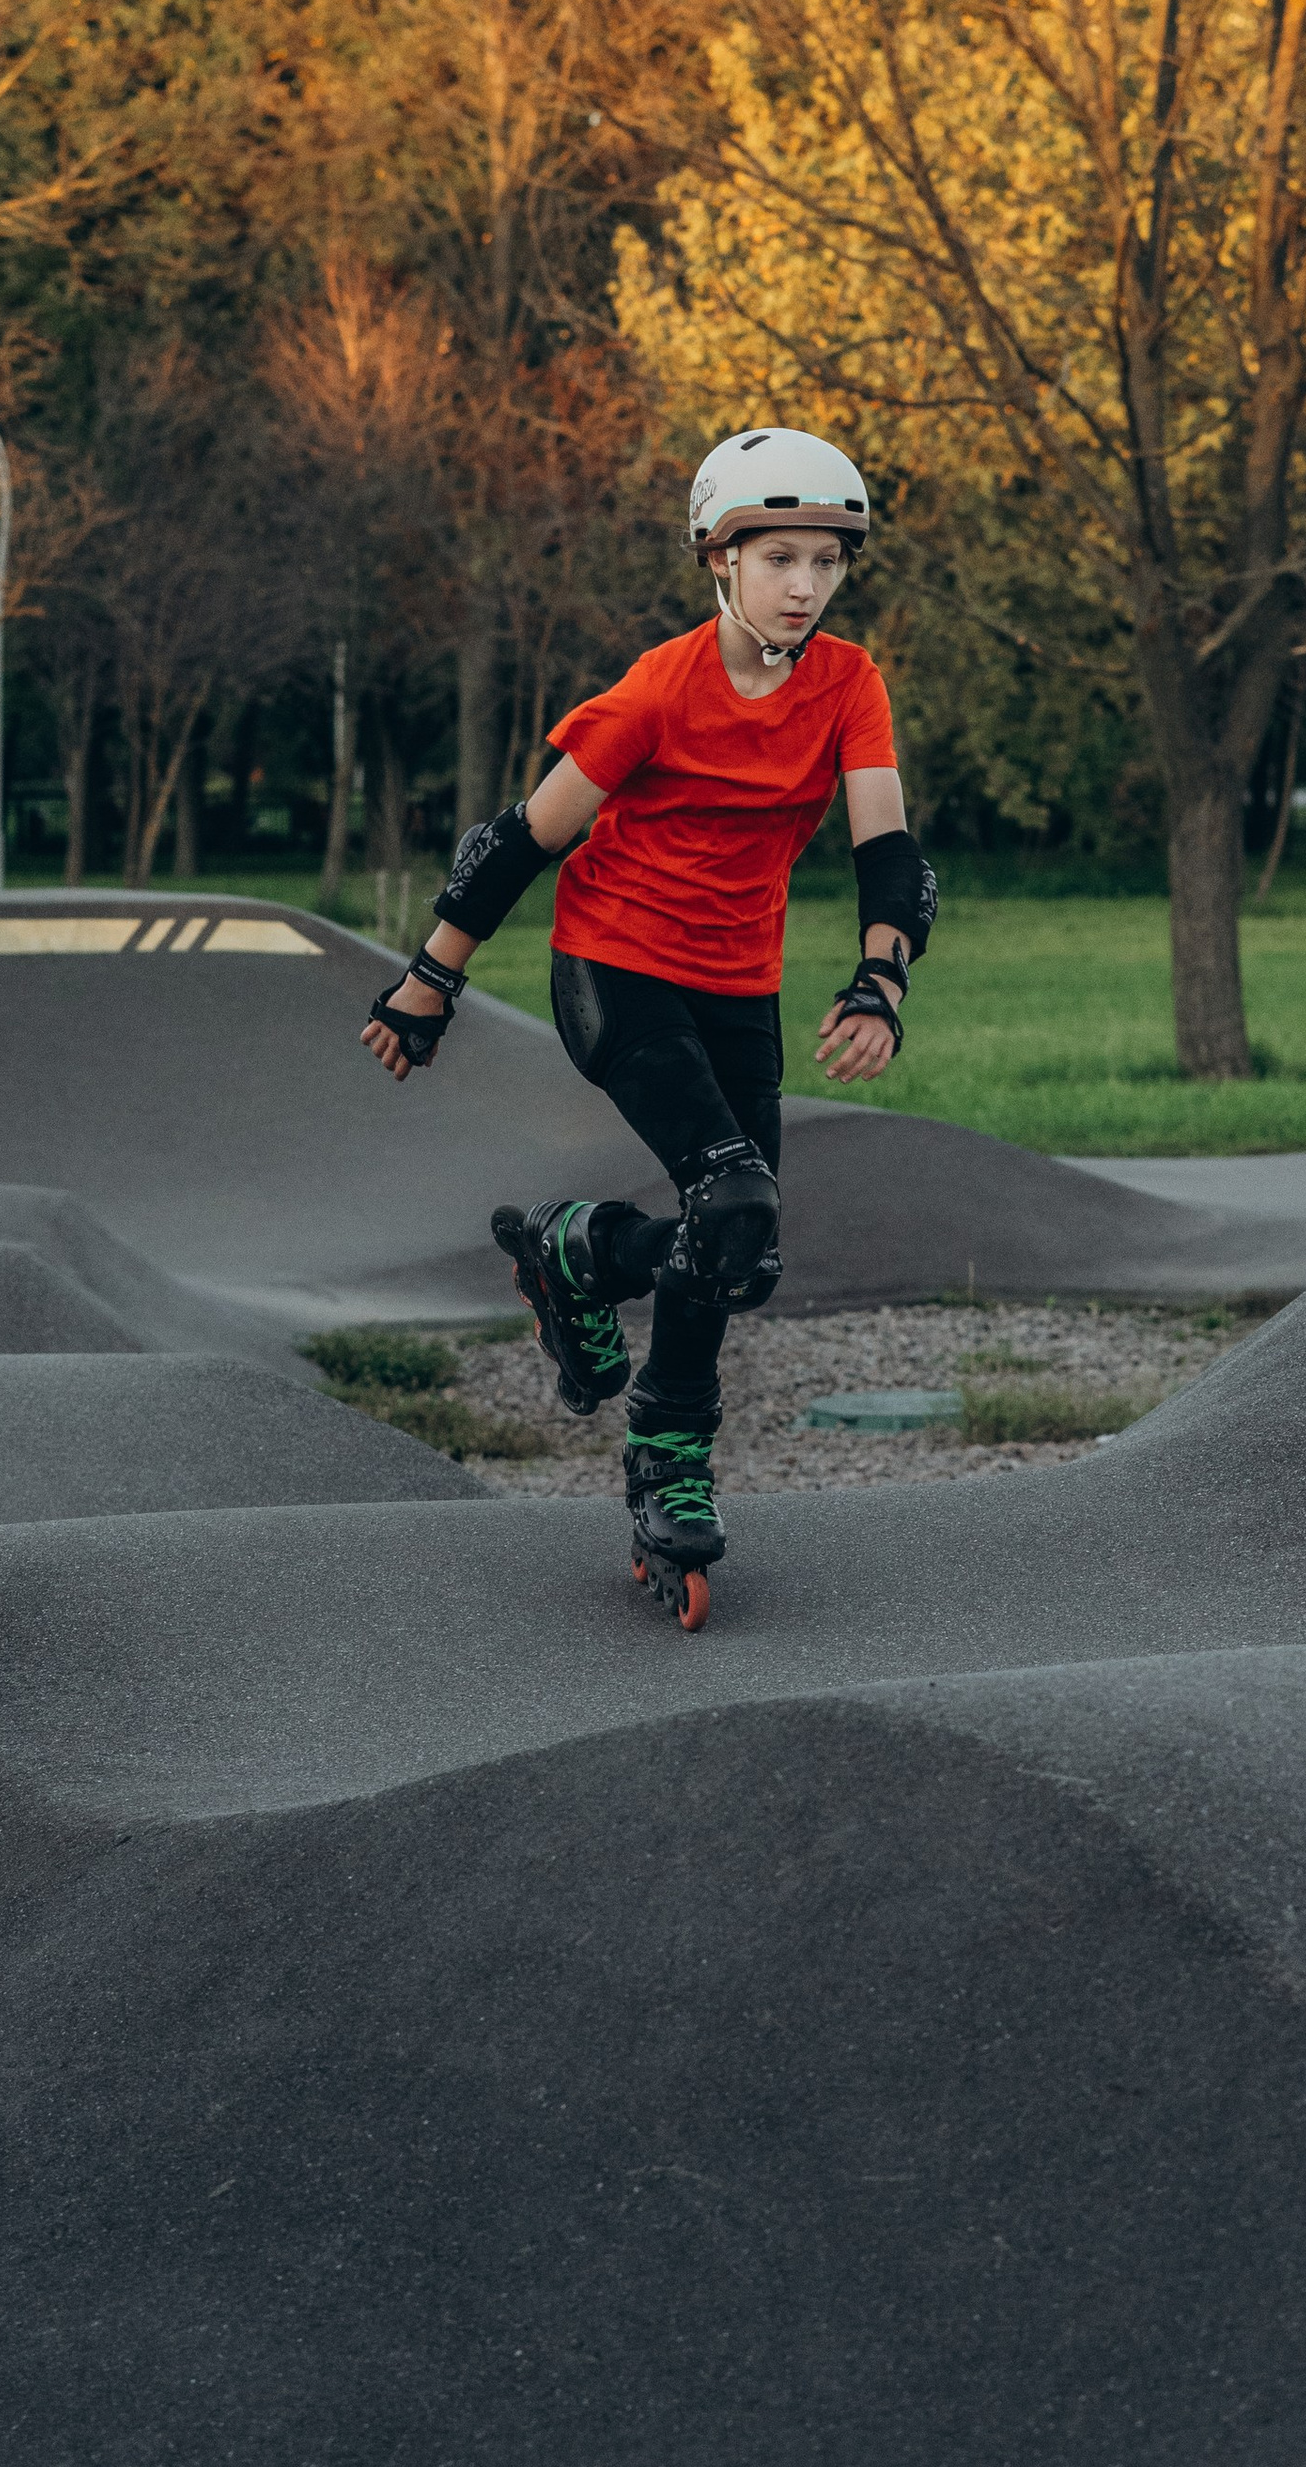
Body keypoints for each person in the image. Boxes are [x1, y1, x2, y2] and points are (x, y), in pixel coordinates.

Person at [358, 427, 935, 1616]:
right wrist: (429, 981)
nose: (804, 585)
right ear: (719, 558)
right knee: (728, 1197)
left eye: (827, 561)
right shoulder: (659, 689)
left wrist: (880, 978)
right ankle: (669, 1461)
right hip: (615, 969)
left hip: (734, 985)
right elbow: (518, 840)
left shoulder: (848, 683)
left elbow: (889, 849)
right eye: (778, 557)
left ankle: (575, 1252)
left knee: (745, 1250)